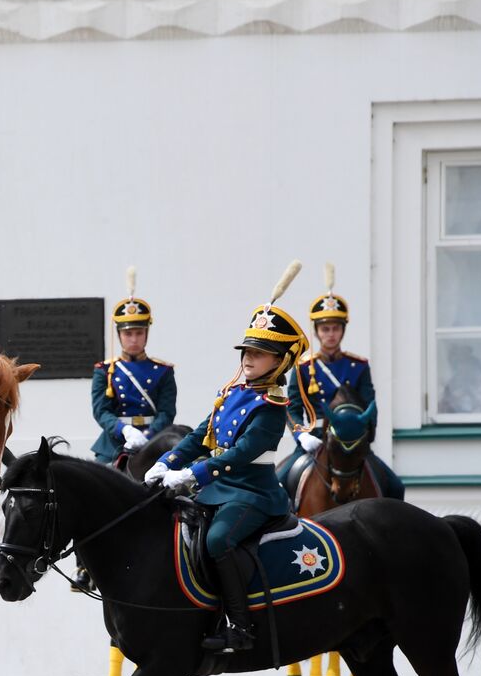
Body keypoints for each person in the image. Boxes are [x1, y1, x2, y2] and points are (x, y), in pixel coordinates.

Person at [146, 264, 310, 654]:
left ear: (281, 361)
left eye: (261, 352)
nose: (250, 357)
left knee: (219, 540)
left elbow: (242, 453)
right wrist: (166, 462)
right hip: (218, 487)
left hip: (251, 493)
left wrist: (192, 475)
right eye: (248, 350)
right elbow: (202, 434)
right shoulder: (232, 393)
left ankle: (240, 624)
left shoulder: (272, 406)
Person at [279, 264, 404, 499]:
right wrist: (301, 436)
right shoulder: (304, 367)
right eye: (325, 329)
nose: (330, 334)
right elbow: (291, 408)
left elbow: (370, 404)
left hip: (351, 441)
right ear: (316, 332)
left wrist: (365, 436)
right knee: (279, 482)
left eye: (335, 328)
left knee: (396, 487)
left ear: (343, 330)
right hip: (314, 440)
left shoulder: (359, 366)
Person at [90, 271, 176, 465]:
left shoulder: (163, 371)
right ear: (119, 335)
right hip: (114, 442)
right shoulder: (104, 370)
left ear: (147, 333)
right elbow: (101, 411)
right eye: (128, 333)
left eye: (139, 332)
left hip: (154, 439)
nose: (134, 339)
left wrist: (148, 434)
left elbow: (167, 412)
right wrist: (125, 431)